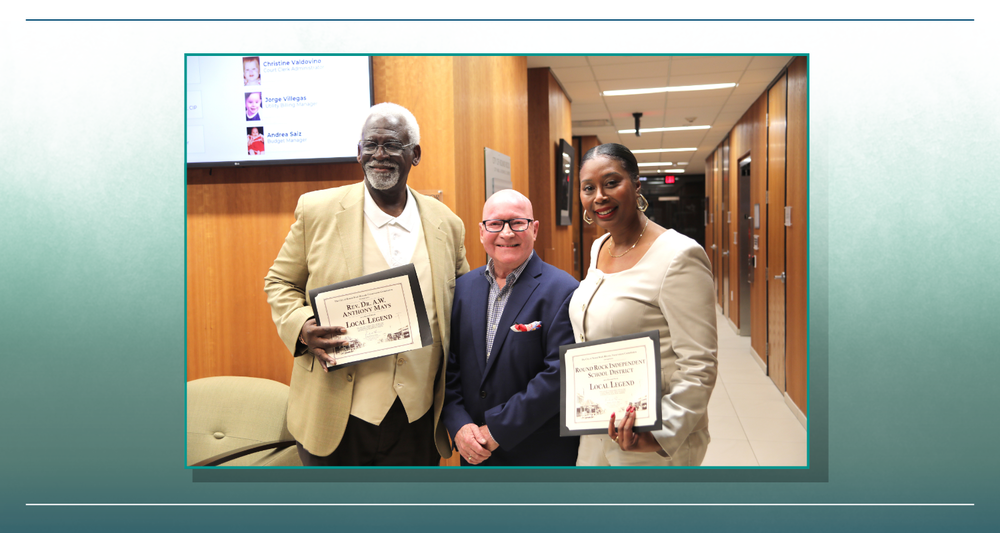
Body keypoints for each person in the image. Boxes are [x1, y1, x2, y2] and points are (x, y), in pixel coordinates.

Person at [264, 102, 470, 466]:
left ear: (415, 154)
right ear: (358, 152)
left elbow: (463, 302)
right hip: (336, 417)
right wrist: (301, 327)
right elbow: (280, 282)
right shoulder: (318, 211)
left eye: (392, 145)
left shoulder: (447, 224)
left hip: (417, 417)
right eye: (370, 145)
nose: (379, 155)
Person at [571, 143, 718, 466]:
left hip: (651, 441)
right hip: (600, 427)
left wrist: (661, 432)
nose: (599, 196)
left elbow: (699, 363)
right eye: (588, 188)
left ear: (636, 185)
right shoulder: (600, 247)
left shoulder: (679, 255)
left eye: (611, 183)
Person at [442, 190, 579, 466]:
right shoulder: (462, 289)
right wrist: (459, 425)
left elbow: (558, 376)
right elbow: (448, 366)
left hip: (539, 456)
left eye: (517, 223)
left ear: (534, 229)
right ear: (482, 232)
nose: (506, 233)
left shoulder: (564, 290)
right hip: (475, 454)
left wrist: (497, 430)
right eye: (495, 224)